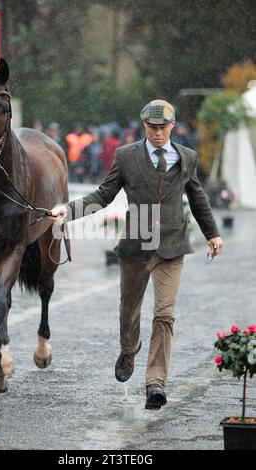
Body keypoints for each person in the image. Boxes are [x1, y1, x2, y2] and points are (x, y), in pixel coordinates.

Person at [51, 99, 223, 410]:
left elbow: (197, 198)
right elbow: (103, 195)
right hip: (135, 245)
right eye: (152, 128)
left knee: (165, 314)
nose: (158, 133)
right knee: (129, 309)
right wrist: (68, 209)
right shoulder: (126, 156)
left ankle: (155, 382)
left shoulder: (187, 157)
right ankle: (128, 348)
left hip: (172, 247)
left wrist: (212, 233)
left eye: (163, 128)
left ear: (172, 126)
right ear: (144, 127)